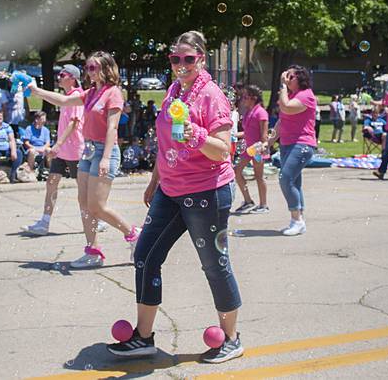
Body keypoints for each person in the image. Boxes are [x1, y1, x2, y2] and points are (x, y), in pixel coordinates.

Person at [108, 31, 243, 363]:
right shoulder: (173, 92)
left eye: (188, 59)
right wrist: (154, 180)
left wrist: (196, 134)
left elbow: (222, 149)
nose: (181, 65)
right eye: (175, 59)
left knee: (214, 264)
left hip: (208, 192)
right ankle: (143, 338)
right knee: (145, 254)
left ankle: (232, 338)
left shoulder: (211, 95)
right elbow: (167, 144)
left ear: (201, 60)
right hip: (170, 191)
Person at [28, 53, 139, 268]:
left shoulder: (113, 93)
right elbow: (62, 100)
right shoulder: (91, 93)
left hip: (103, 151)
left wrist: (106, 158)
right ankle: (93, 251)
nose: (89, 71)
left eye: (93, 67)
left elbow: (112, 127)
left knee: (97, 206)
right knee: (84, 204)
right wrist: (36, 90)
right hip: (87, 151)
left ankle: (134, 234)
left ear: (106, 69)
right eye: (87, 67)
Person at [25, 65, 85, 236]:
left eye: (63, 74)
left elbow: (74, 123)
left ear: (72, 78)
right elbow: (55, 101)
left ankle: (94, 219)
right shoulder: (66, 97)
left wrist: (57, 144)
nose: (59, 77)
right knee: (51, 182)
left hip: (74, 150)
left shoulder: (77, 96)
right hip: (63, 150)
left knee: (82, 189)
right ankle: (44, 222)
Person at [266, 64, 317, 236]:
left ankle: (297, 220)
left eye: (291, 77)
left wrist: (281, 84)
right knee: (294, 182)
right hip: (287, 144)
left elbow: (286, 107)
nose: (287, 79)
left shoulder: (306, 95)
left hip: (302, 143)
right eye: (286, 76)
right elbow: (282, 119)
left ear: (300, 79)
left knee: (285, 178)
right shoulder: (292, 95)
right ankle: (298, 220)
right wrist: (271, 139)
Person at [233, 84, 269, 214]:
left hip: (257, 149)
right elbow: (248, 132)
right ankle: (248, 201)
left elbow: (264, 135)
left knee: (259, 176)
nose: (243, 99)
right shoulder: (249, 112)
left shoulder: (261, 112)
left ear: (253, 98)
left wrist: (260, 149)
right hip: (248, 149)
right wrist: (234, 135)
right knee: (236, 171)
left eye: (245, 97)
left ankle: (264, 205)